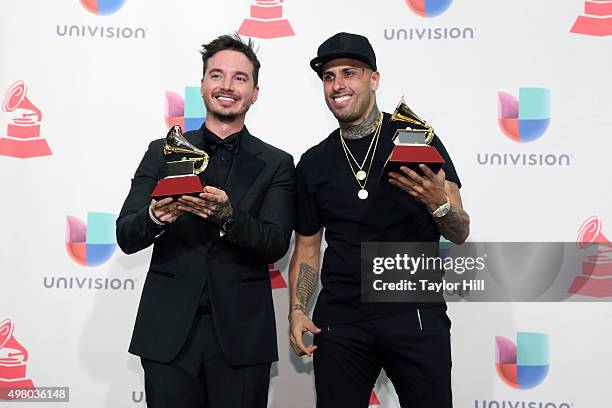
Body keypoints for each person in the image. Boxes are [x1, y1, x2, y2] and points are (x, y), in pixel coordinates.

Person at [288, 32, 470, 408]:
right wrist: (297, 310)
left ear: (374, 79)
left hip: (413, 311)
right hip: (341, 322)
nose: (338, 85)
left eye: (349, 73)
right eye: (329, 76)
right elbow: (307, 248)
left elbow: (460, 230)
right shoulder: (313, 162)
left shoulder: (417, 141)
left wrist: (438, 204)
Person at [117, 34, 295, 408]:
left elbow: (276, 242)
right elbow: (126, 234)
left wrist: (229, 217)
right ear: (202, 85)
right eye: (217, 75)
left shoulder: (277, 163)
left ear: (255, 92)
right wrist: (154, 217)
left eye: (239, 78)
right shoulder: (163, 151)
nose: (227, 86)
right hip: (167, 333)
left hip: (243, 337)